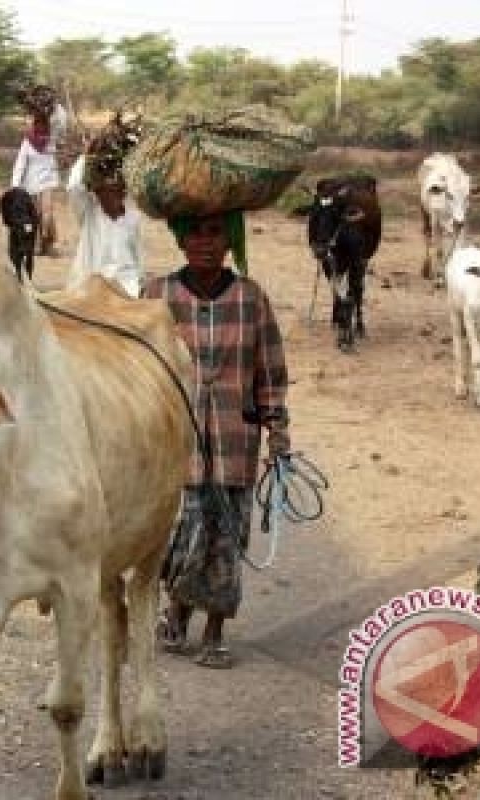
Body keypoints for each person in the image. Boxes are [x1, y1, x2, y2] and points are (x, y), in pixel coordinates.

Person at [143, 210, 291, 669]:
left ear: (230, 241)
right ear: (181, 239)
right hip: (175, 443)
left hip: (234, 439)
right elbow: (135, 365)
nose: (205, 242)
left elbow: (270, 370)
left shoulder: (251, 299)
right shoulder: (156, 297)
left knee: (226, 539)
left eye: (215, 232)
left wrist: (278, 431)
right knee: (182, 538)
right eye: (195, 232)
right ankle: (177, 612)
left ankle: (214, 630)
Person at [66, 153, 143, 297]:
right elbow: (74, 187)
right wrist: (89, 154)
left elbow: (137, 261)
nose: (116, 195)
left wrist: (139, 284)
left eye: (117, 190)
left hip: (127, 290)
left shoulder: (132, 219)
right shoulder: (88, 214)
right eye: (103, 190)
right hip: (91, 292)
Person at [10, 102, 67, 258]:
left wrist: (52, 103)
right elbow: (20, 164)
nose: (42, 130)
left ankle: (45, 244)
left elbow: (61, 118)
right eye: (39, 125)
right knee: (35, 213)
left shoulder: (51, 139)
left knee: (47, 212)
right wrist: (15, 186)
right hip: (31, 182)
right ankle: (40, 244)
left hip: (48, 179)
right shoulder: (27, 142)